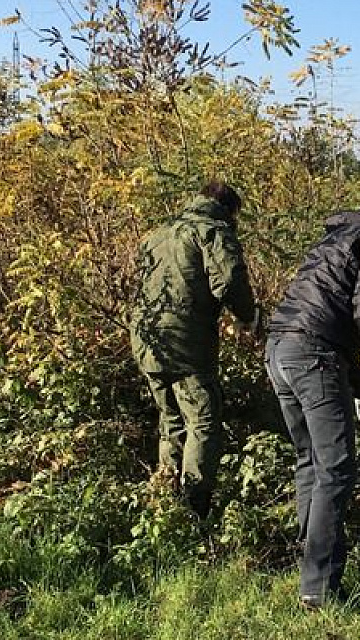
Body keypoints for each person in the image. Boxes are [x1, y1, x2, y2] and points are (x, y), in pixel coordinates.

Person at [266, 189, 360, 611]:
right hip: (312, 355)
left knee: (310, 461)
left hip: (279, 349)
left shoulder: (333, 237)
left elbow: (331, 314)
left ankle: (309, 570)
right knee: (336, 468)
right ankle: (320, 588)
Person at [129, 180, 258, 519]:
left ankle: (164, 504)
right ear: (229, 209)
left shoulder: (158, 233)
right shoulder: (211, 231)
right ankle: (193, 511)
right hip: (187, 342)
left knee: (170, 421)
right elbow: (229, 281)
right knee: (203, 421)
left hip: (146, 339)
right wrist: (249, 317)